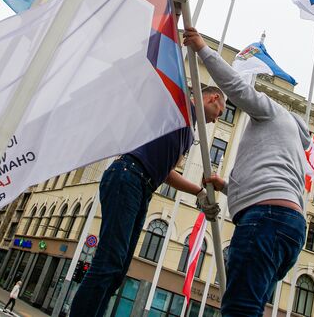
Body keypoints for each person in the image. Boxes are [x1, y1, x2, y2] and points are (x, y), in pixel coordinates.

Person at [183, 27, 311, 317]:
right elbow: (270, 181)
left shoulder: (274, 113)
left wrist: (203, 49)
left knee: (239, 308)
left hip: (265, 221)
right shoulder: (293, 143)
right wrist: (227, 186)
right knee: (251, 308)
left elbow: (238, 88)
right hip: (291, 227)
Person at [70, 87, 225, 317]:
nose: (215, 120)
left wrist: (199, 192)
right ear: (212, 98)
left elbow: (166, 172)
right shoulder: (177, 107)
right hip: (128, 175)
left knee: (117, 270)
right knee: (109, 260)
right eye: (219, 112)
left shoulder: (188, 134)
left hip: (143, 186)